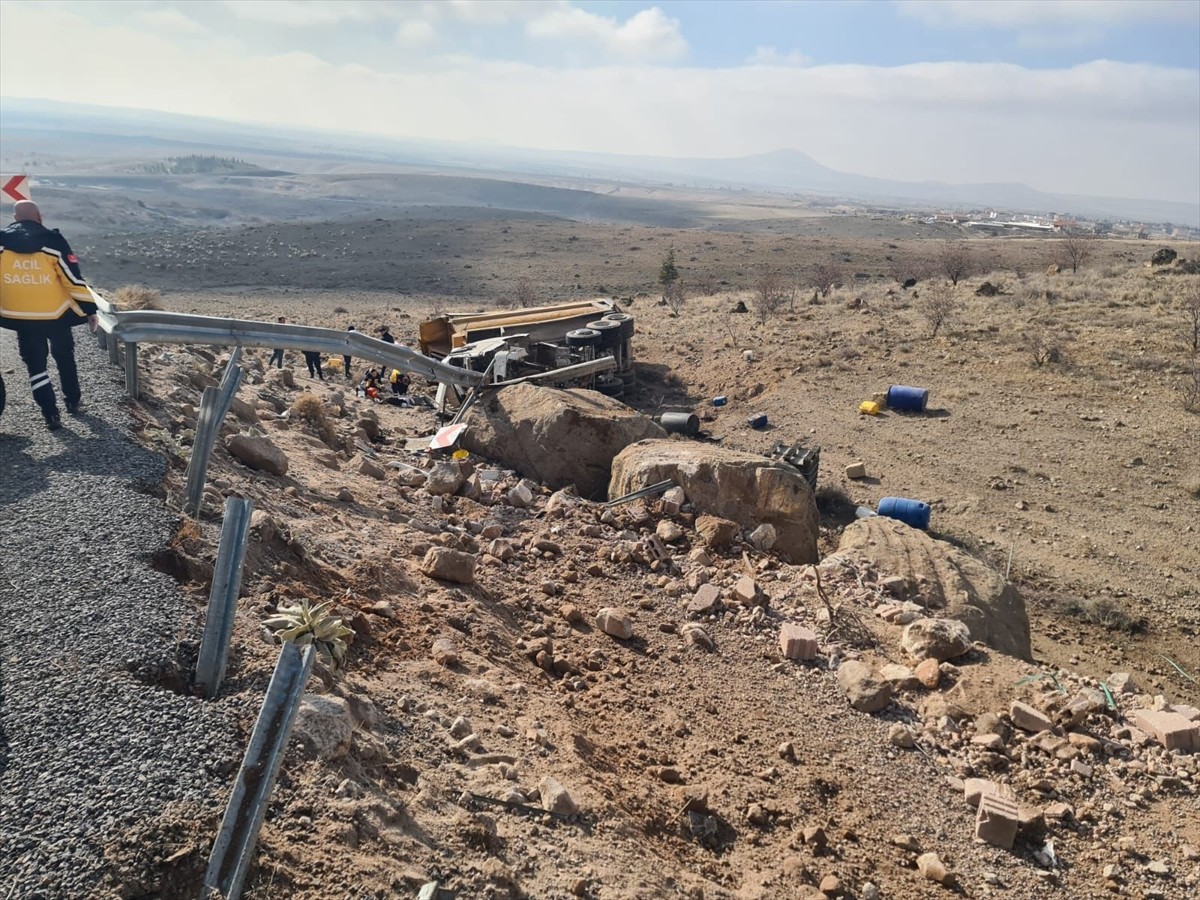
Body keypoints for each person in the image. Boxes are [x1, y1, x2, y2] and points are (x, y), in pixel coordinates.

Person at [0, 200, 98, 430]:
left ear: (14, 218)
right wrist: (89, 309)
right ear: (39, 216)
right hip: (56, 314)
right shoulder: (53, 241)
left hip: (20, 315)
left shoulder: (2, 242)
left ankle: (50, 414)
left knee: (35, 365)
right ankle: (72, 401)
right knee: (64, 356)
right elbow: (72, 278)